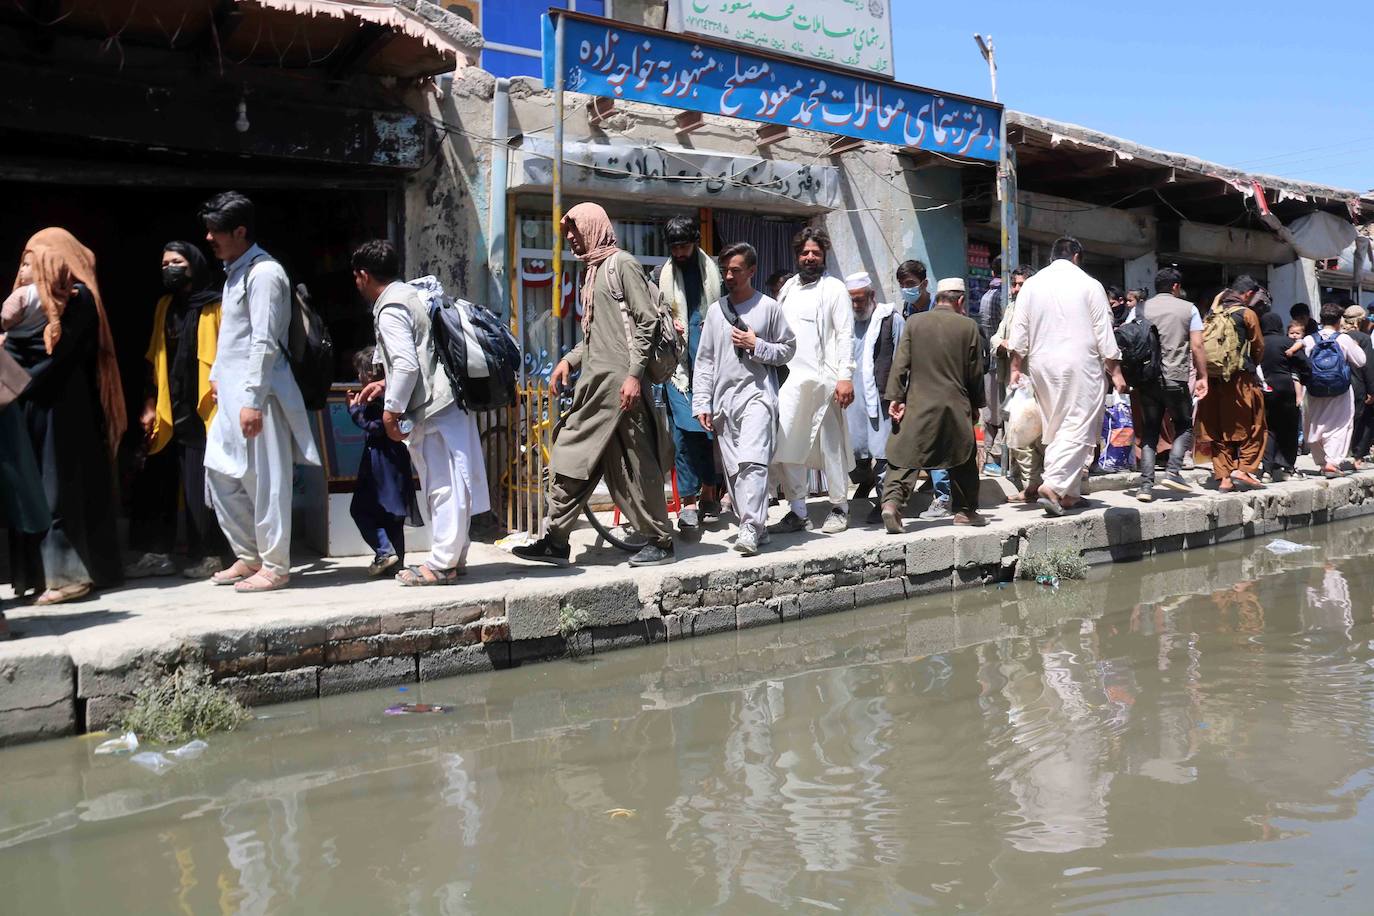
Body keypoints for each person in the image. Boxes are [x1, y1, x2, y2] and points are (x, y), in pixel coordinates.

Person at [514, 202, 677, 568]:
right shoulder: (593, 272)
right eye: (567, 231)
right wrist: (567, 361)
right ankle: (556, 540)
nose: (570, 237)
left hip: (622, 390)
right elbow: (595, 338)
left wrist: (635, 376)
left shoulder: (622, 265)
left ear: (591, 227)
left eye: (574, 229)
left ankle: (660, 541)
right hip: (596, 389)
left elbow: (647, 322)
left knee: (636, 467)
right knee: (571, 460)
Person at [200, 192, 322, 592]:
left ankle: (275, 564)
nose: (209, 238)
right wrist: (219, 377)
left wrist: (251, 400)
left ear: (240, 231)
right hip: (233, 394)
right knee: (221, 472)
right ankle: (249, 555)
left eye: (217, 231)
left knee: (267, 481)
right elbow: (233, 338)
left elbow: (264, 342)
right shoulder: (235, 270)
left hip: (262, 395)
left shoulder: (265, 273)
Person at [350, 243, 489, 583]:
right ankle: (454, 558)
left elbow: (408, 365)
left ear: (364, 276)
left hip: (434, 408)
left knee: (442, 485)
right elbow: (420, 357)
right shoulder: (412, 296)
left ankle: (441, 564)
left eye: (356, 277)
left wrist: (390, 411)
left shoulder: (391, 306)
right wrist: (386, 385)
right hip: (447, 402)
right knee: (455, 481)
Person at [5, 229, 125, 605]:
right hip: (31, 407)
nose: (25, 269)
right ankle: (42, 577)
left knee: (58, 491)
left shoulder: (79, 299)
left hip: (63, 411)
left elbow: (52, 357)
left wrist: (8, 357)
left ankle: (71, 577)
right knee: (33, 491)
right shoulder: (36, 302)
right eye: (23, 261)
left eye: (32, 260)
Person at [125, 241, 232, 580]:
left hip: (204, 408)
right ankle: (158, 553)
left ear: (194, 265)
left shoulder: (216, 305)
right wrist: (149, 404)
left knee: (201, 483)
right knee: (156, 480)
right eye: (164, 263)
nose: (168, 268)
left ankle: (211, 553)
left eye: (176, 261)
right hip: (168, 407)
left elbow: (228, 356)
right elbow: (155, 357)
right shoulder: (165, 305)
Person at [1007, 237, 1126, 516]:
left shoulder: (1032, 285)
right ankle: (1054, 485)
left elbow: (1019, 329)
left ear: (1052, 257)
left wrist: (1015, 367)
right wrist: (1116, 370)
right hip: (1080, 364)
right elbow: (1103, 331)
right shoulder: (1089, 284)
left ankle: (1070, 495)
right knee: (1078, 425)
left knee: (1057, 426)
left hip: (1041, 365)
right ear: (1076, 257)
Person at [691, 243, 796, 555]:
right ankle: (756, 525)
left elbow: (788, 349)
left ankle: (749, 527)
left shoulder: (769, 308)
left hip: (758, 396)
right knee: (735, 470)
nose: (729, 276)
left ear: (752, 271)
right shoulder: (714, 311)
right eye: (725, 270)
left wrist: (757, 344)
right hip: (725, 402)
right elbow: (705, 361)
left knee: (753, 462)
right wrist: (702, 403)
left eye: (736, 270)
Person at [769, 226, 855, 534]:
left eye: (815, 253)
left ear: (824, 256)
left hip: (827, 381)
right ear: (797, 255)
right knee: (788, 444)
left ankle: (839, 507)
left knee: (832, 448)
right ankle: (798, 510)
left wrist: (845, 377)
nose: (809, 257)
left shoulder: (835, 289)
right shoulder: (789, 288)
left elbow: (846, 335)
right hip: (790, 381)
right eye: (804, 252)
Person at [880, 284, 987, 530]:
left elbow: (900, 364)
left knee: (905, 454)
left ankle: (892, 504)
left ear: (938, 298)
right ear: (960, 301)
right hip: (955, 405)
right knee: (963, 456)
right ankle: (965, 511)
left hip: (918, 403)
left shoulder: (914, 322)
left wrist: (896, 397)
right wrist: (976, 404)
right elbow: (975, 373)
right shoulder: (968, 326)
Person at [656, 215, 724, 530]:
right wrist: (668, 323)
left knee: (706, 432)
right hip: (677, 369)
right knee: (683, 434)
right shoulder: (661, 276)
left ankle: (710, 489)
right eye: (675, 247)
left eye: (684, 246)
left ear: (695, 242)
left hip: (711, 366)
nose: (679, 253)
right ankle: (688, 503)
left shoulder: (716, 274)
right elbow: (651, 318)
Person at [1128, 266, 1209, 502]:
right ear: (1175, 287)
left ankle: (1145, 486)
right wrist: (1203, 376)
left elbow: (1129, 339)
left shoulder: (1140, 308)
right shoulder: (1189, 309)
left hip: (1146, 379)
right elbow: (1197, 346)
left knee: (1150, 430)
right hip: (1175, 377)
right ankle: (1173, 471)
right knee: (1184, 425)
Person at [346, 347, 423, 577]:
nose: (358, 378)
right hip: (395, 461)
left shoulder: (377, 399)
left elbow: (377, 427)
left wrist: (354, 411)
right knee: (393, 515)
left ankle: (384, 551)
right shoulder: (397, 393)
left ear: (370, 374)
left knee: (361, 509)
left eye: (360, 373)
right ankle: (396, 562)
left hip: (381, 465)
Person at [1194, 276, 1266, 492]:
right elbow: (1258, 347)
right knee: (1255, 422)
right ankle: (1243, 469)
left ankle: (1224, 478)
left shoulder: (1211, 314)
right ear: (1249, 294)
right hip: (1239, 379)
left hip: (1213, 379)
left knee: (1217, 428)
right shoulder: (1247, 314)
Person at [843, 270, 901, 521]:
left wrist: (900, 395)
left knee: (883, 454)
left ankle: (885, 503)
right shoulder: (845, 321)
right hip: (851, 400)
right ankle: (865, 484)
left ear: (872, 295)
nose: (856, 304)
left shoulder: (890, 319)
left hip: (881, 397)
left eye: (860, 298)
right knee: (855, 454)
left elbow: (902, 358)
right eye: (852, 299)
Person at [1292, 302, 1367, 478]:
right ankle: (1332, 462)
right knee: (1340, 425)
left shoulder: (1310, 339)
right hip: (1340, 390)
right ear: (1339, 320)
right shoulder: (1344, 339)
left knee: (1315, 423)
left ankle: (1322, 461)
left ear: (1320, 319)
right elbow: (1361, 361)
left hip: (1315, 389)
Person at [991, 266, 1041, 500]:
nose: (1016, 289)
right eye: (1014, 284)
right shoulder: (1011, 308)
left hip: (1035, 379)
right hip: (1014, 382)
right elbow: (996, 336)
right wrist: (1003, 343)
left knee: (1039, 434)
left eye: (1021, 284)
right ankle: (1030, 484)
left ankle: (1040, 485)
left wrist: (1015, 344)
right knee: (1018, 433)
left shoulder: (1041, 308)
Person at [1258, 312, 1305, 482]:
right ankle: (1288, 468)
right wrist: (1304, 381)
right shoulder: (1288, 342)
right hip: (1287, 389)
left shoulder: (1258, 342)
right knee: (1289, 428)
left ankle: (1267, 471)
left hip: (1265, 389)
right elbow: (1304, 365)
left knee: (1268, 429)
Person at [1339, 304, 1374, 465]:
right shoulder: (1363, 338)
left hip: (1340, 385)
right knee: (1364, 420)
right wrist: (1372, 390)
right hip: (1358, 385)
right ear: (1361, 320)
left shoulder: (1337, 336)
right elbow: (1367, 366)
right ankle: (1358, 455)